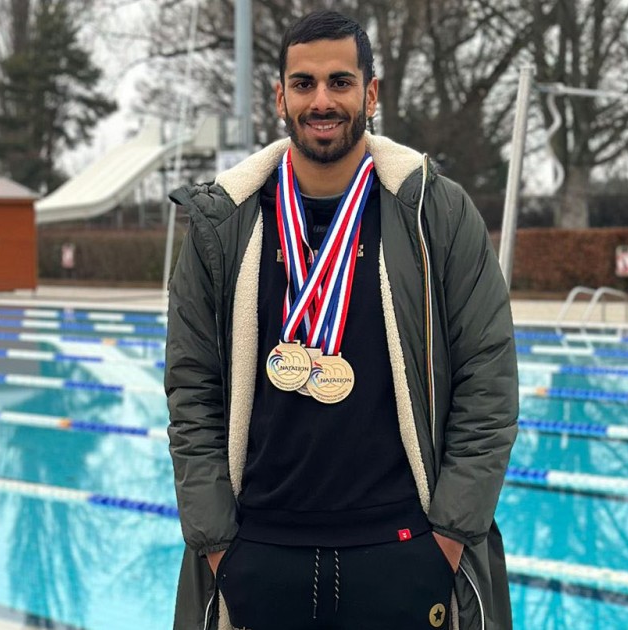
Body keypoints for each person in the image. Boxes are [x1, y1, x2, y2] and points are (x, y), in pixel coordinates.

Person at [165, 10, 518, 630]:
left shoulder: (434, 214)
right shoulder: (224, 226)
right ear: (279, 97)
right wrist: (218, 545)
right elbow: (190, 392)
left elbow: (489, 378)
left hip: (403, 550)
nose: (321, 100)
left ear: (371, 93)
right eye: (303, 84)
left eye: (340, 81)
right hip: (260, 554)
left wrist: (450, 538)